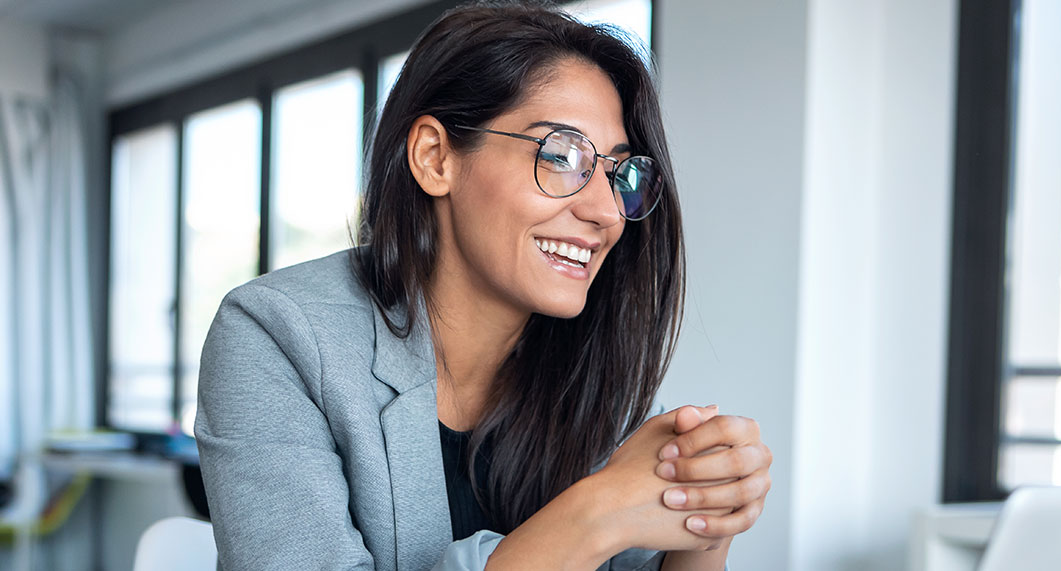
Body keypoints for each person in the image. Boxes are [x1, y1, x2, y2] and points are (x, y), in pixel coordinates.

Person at [194, 2, 773, 570]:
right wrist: (596, 512)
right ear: (435, 157)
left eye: (619, 172)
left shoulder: (596, 369)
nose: (606, 212)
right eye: (563, 154)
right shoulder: (274, 335)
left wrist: (706, 519)